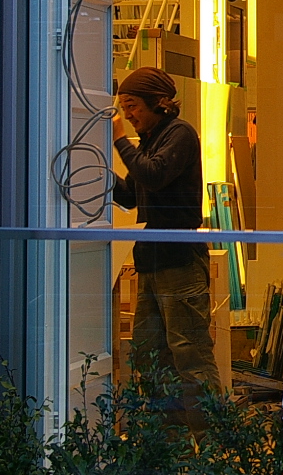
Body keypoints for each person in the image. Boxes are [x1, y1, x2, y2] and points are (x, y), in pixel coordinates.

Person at [111, 67, 220, 416]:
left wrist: (118, 142)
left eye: (132, 106)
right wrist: (93, 167)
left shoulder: (179, 134)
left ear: (157, 103)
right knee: (150, 353)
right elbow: (132, 195)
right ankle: (169, 449)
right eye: (124, 108)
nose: (128, 115)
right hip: (152, 261)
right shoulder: (152, 141)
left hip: (180, 261)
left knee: (191, 353)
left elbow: (154, 175)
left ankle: (215, 447)